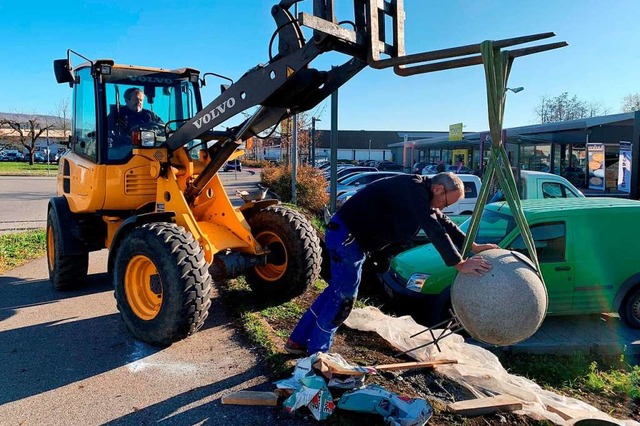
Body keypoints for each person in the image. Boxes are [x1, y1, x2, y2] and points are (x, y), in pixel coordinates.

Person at [285, 172, 499, 355]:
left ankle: (298, 341)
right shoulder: (415, 191)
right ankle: (317, 354)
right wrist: (459, 264)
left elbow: (444, 222)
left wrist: (474, 247)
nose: (445, 207)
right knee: (343, 299)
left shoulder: (422, 193)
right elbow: (434, 229)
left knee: (335, 292)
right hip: (347, 238)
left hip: (352, 240)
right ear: (438, 189)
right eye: (447, 202)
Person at [107, 88, 164, 160]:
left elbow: (163, 127)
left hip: (149, 151)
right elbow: (106, 130)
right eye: (136, 100)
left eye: (141, 100)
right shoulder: (117, 114)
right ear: (127, 100)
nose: (139, 102)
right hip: (124, 152)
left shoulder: (149, 115)